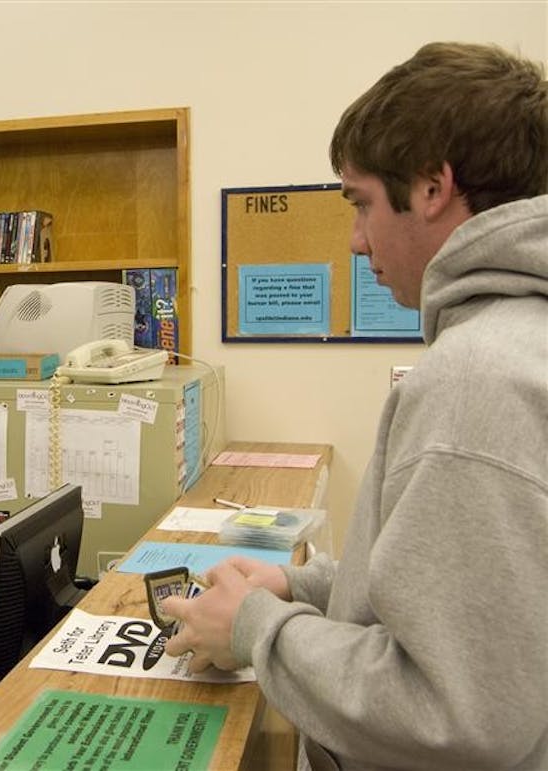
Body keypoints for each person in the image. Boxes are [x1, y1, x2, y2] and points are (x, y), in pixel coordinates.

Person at [163, 42, 548, 770]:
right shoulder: (517, 343)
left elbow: (453, 709)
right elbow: (468, 592)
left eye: (362, 202)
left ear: (433, 186)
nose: (354, 239)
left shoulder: (477, 380)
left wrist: (257, 628)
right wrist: (301, 583)